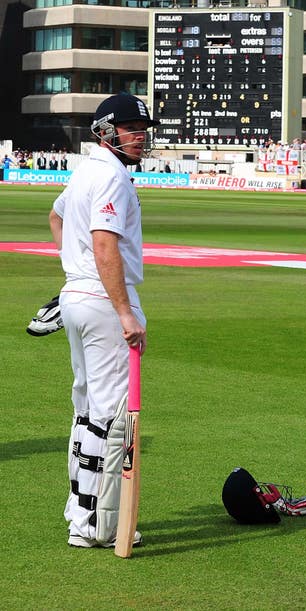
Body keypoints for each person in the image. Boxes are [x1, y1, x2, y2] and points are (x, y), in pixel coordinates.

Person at [48, 93, 160, 548]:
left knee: (88, 409)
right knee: (112, 415)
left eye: (142, 128)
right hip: (102, 300)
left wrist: (72, 275)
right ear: (106, 131)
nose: (140, 136)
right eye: (131, 128)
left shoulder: (85, 171)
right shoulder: (110, 174)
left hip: (79, 297)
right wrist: (123, 311)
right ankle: (96, 525)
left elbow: (55, 217)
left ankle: (81, 512)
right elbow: (104, 245)